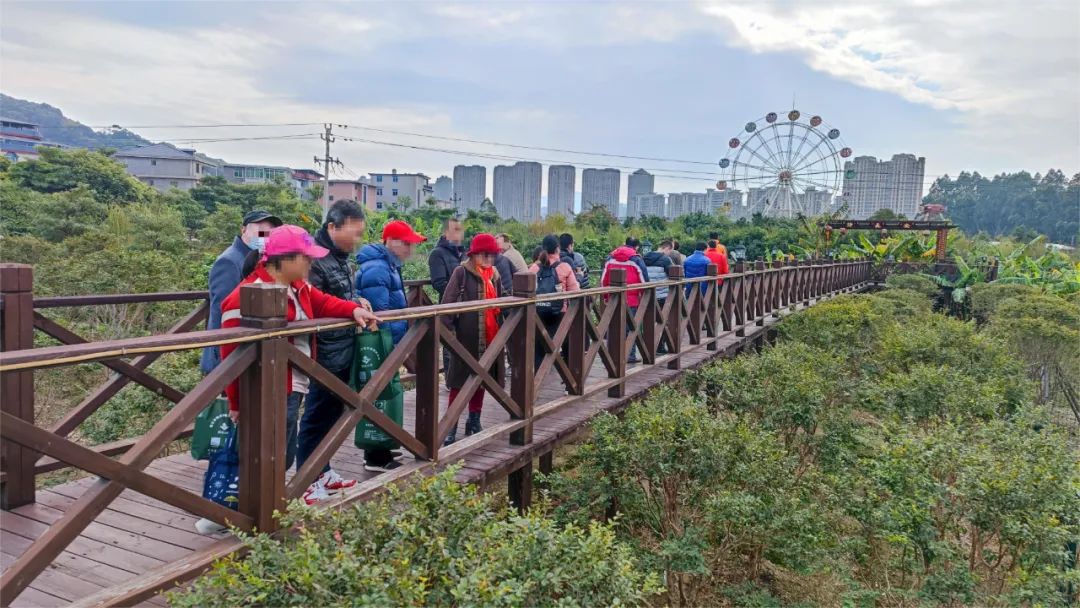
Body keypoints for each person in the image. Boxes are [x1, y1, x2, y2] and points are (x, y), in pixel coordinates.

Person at [196, 225, 379, 534]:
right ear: (283, 259)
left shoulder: (298, 287)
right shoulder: (245, 295)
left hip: (293, 383)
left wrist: (353, 310)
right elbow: (230, 356)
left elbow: (323, 302)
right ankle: (238, 516)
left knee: (280, 452)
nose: (310, 263)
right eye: (305, 258)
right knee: (266, 453)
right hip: (266, 388)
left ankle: (251, 514)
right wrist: (237, 402)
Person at [296, 200, 369, 505]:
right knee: (316, 415)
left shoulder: (339, 258)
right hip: (324, 352)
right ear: (332, 227)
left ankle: (322, 470)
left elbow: (340, 296)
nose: (358, 240)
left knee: (332, 414)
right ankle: (305, 479)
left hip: (343, 347)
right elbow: (312, 302)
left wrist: (357, 302)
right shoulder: (315, 259)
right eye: (354, 233)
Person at [355, 219, 426, 472]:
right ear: (390, 242)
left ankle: (382, 447)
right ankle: (375, 455)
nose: (409, 249)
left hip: (389, 342)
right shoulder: (378, 268)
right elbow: (380, 314)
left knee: (384, 395)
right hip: (381, 343)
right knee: (379, 397)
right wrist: (388, 346)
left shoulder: (388, 266)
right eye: (406, 243)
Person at [440, 233, 506, 444]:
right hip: (465, 338)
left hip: (490, 334)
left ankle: (474, 420)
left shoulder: (494, 275)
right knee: (459, 383)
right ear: (475, 254)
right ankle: (451, 425)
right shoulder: (462, 272)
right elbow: (447, 303)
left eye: (492, 255)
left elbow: (502, 300)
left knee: (481, 381)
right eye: (485, 255)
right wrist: (448, 336)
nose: (489, 259)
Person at [200, 210, 282, 375]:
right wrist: (221, 354)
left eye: (270, 232)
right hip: (227, 355)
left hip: (246, 350)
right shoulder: (230, 260)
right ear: (243, 229)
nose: (264, 235)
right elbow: (222, 310)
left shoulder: (257, 258)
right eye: (260, 228)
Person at [529, 234, 580, 369]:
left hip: (538, 314)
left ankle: (537, 382)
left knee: (539, 349)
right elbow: (575, 291)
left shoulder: (534, 268)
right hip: (560, 314)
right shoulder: (564, 267)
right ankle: (569, 382)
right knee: (568, 346)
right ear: (557, 249)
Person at [601, 239, 649, 364]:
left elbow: (604, 280)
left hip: (613, 298)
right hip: (632, 299)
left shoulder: (610, 257)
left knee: (614, 326)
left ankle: (612, 355)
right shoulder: (636, 259)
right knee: (631, 328)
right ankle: (630, 355)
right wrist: (645, 298)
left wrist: (606, 296)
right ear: (636, 247)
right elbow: (644, 280)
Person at [428, 217, 465, 302]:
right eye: (455, 229)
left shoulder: (465, 253)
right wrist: (461, 294)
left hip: (467, 304)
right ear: (446, 232)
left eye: (460, 229)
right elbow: (439, 283)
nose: (459, 232)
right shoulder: (437, 253)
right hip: (449, 304)